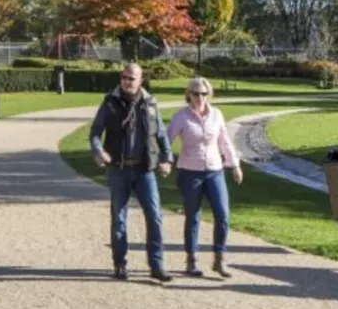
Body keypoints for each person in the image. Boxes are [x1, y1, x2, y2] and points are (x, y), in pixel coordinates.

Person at [90, 62, 174, 283]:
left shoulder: (150, 102)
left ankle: (157, 265)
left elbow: (162, 134)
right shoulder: (110, 103)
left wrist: (167, 158)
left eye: (132, 78)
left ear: (140, 80)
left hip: (144, 169)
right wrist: (99, 151)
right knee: (119, 219)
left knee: (155, 217)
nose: (127, 82)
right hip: (119, 169)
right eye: (125, 77)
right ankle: (120, 264)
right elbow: (95, 132)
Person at [167, 77, 245, 278]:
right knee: (193, 216)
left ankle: (219, 258)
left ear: (209, 94)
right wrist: (165, 161)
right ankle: (191, 260)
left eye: (204, 93)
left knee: (223, 215)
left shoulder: (216, 115)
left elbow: (225, 142)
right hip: (189, 172)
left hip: (214, 171)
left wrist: (235, 165)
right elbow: (167, 141)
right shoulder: (181, 117)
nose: (200, 97)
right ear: (189, 95)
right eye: (195, 93)